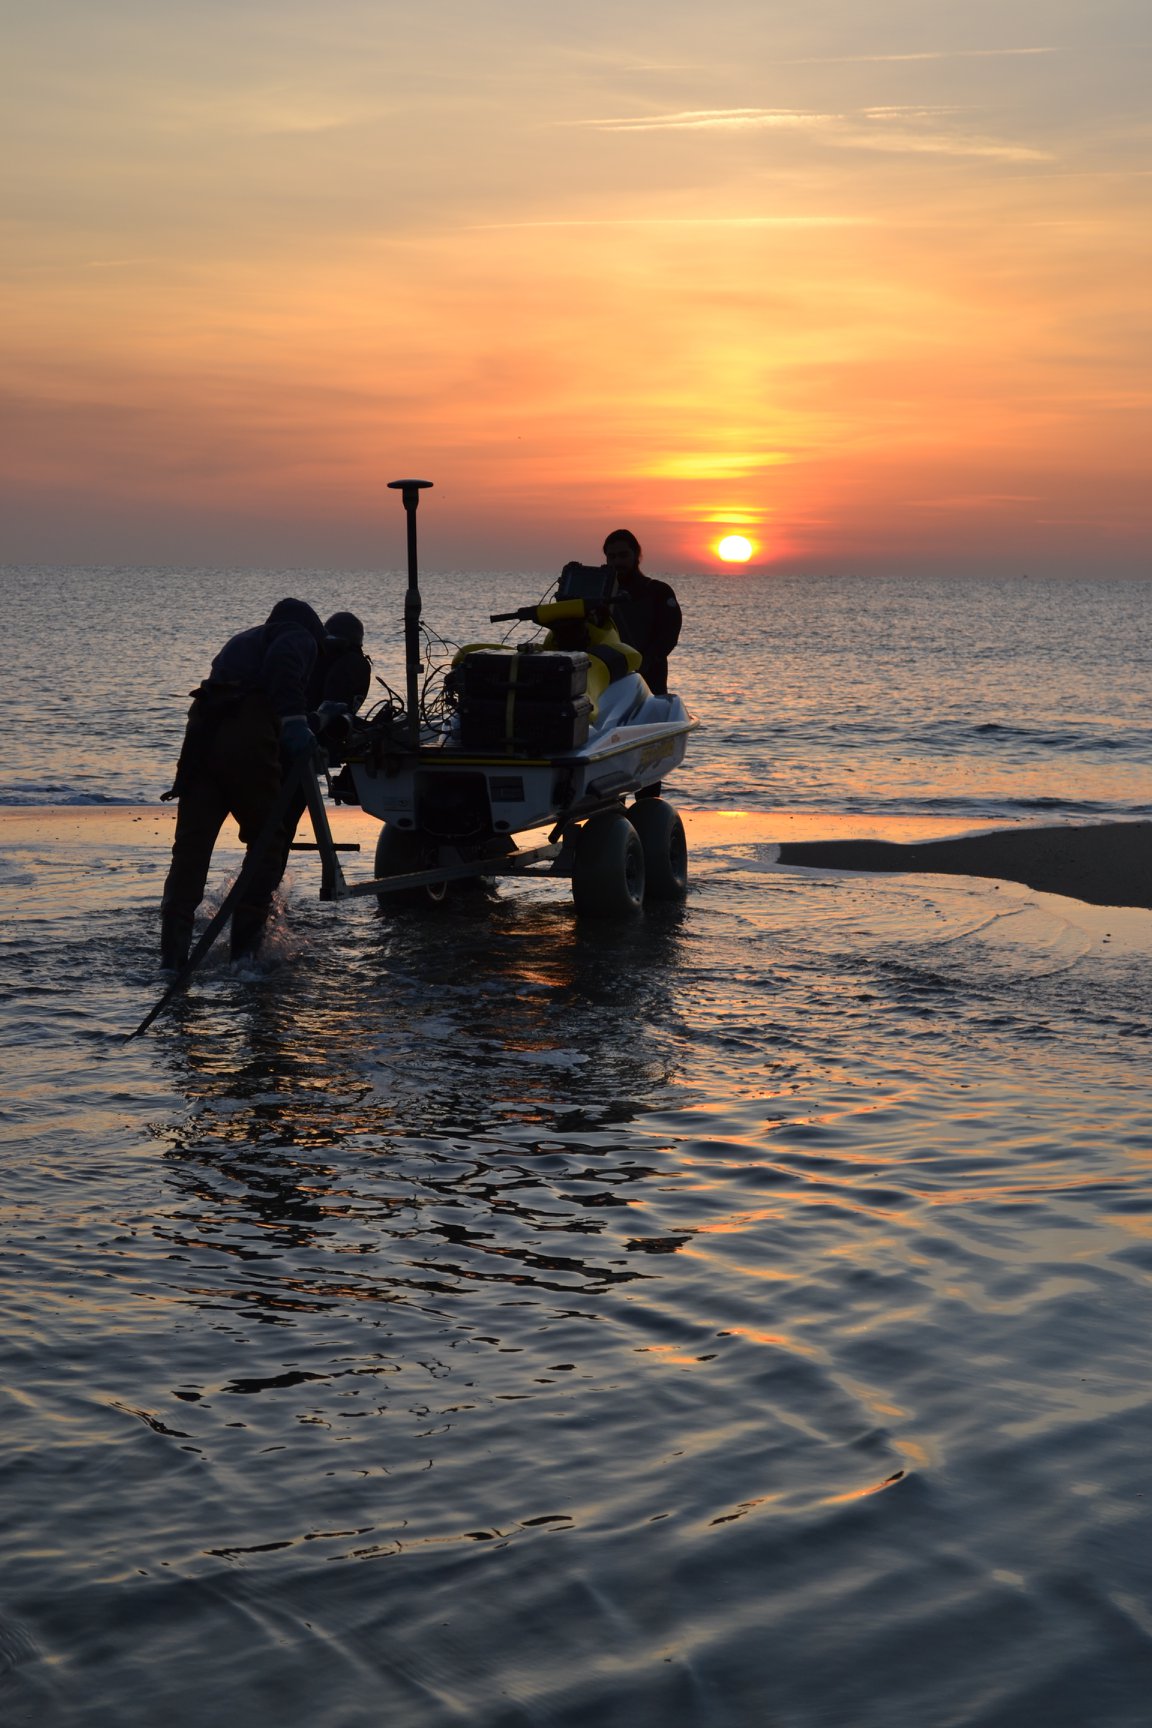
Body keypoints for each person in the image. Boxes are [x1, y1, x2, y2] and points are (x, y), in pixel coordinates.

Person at [159, 598, 326, 969]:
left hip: (202, 733)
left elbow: (255, 680)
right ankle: (244, 960)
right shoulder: (299, 636)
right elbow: (282, 668)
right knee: (267, 842)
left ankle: (172, 961)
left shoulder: (245, 640)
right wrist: (297, 725)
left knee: (191, 849)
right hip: (243, 736)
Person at [601, 529, 682, 696]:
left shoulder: (658, 591)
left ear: (636, 554)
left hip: (649, 684)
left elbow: (669, 636)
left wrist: (645, 661)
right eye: (612, 557)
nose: (617, 562)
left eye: (623, 555)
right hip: (607, 682)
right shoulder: (599, 597)